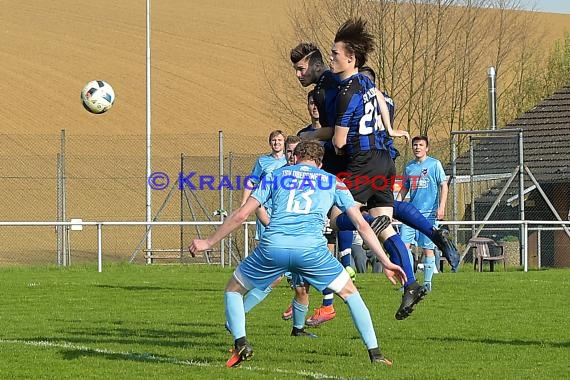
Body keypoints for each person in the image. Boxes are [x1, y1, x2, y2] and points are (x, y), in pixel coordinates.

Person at [189, 141, 406, 367]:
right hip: (312, 250)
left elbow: (242, 215)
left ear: (295, 157)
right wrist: (386, 261)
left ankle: (241, 342)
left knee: (234, 290)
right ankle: (376, 354)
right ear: (320, 163)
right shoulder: (333, 181)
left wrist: (208, 242)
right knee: (350, 294)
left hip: (274, 246)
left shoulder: (275, 175)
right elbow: (361, 224)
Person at [398, 135, 449, 291]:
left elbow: (444, 185)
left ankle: (427, 283)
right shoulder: (409, 167)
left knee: (427, 248)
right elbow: (405, 187)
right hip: (410, 214)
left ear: (426, 148)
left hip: (429, 214)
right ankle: (409, 283)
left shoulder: (434, 164)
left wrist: (441, 207)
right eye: (415, 145)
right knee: (403, 247)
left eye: (421, 145)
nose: (417, 147)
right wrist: (396, 206)